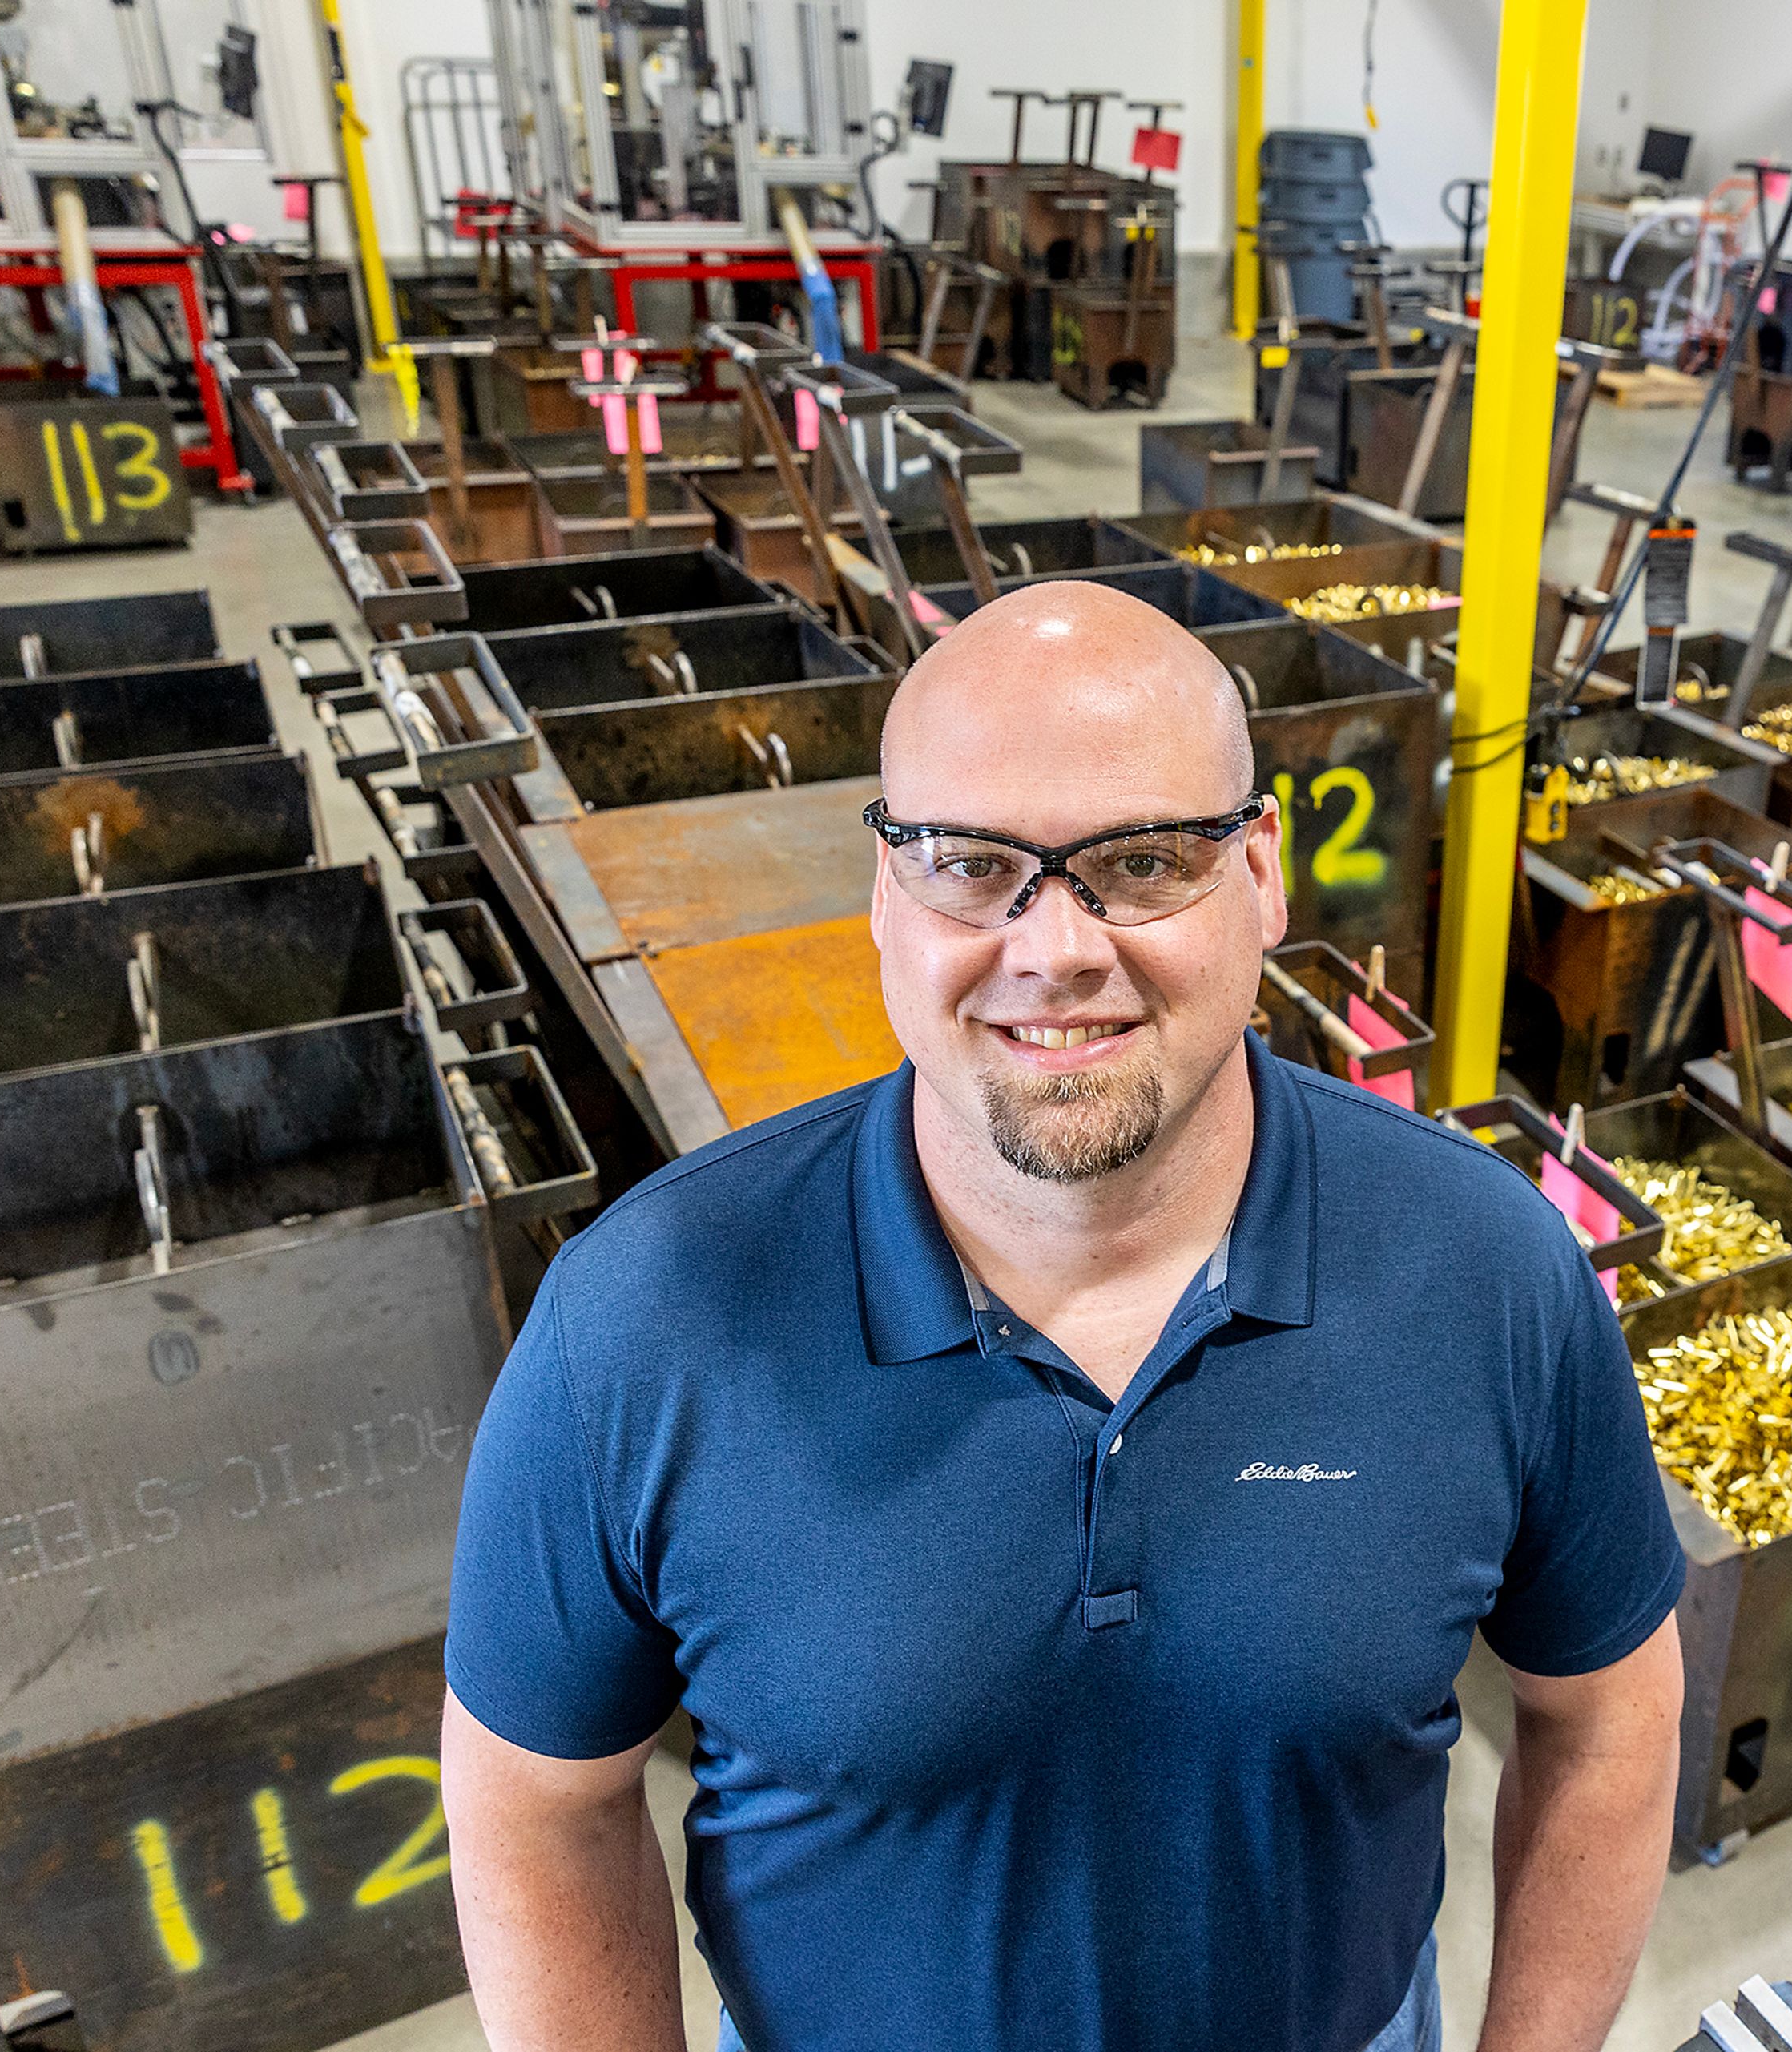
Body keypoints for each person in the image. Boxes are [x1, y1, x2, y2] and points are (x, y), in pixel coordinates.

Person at [441, 579, 1690, 2052]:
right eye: (973, 865)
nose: (1055, 949)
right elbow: (539, 1798)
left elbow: (1608, 1710)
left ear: (1265, 875)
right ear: (885, 899)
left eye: (1143, 859)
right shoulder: (639, 1323)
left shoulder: (1488, 1269)